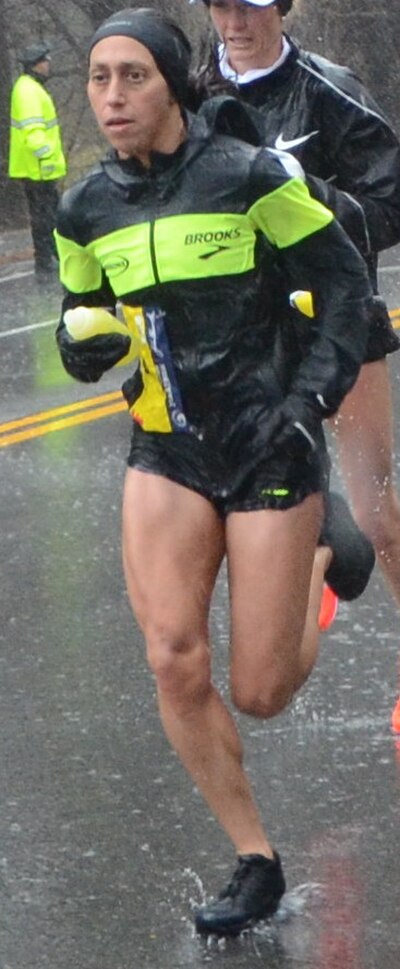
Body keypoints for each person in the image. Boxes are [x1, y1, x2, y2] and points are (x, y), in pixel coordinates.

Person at [54, 8, 374, 936]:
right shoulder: (85, 209)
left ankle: (325, 550)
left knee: (261, 691)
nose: (113, 97)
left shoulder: (248, 176)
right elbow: (86, 322)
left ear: (172, 84)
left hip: (269, 440)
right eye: (100, 78)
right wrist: (87, 347)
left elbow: (346, 283)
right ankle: (255, 858)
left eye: (133, 77)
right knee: (170, 656)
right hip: (166, 446)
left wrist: (310, 401)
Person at [190, 0, 400, 730]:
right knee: (233, 515)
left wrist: (310, 198)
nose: (234, 23)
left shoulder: (329, 88)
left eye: (250, 7)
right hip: (242, 338)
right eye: (220, 6)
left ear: (283, 8)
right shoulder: (191, 91)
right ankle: (318, 543)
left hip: (340, 325)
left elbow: (390, 203)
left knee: (378, 514)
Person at [8, 41, 67, 283]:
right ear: (35, 65)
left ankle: (50, 255)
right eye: (45, 61)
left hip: (37, 167)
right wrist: (46, 157)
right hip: (38, 168)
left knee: (46, 213)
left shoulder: (29, 88)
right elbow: (34, 131)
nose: (48, 65)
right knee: (45, 214)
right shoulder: (29, 91)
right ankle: (46, 258)